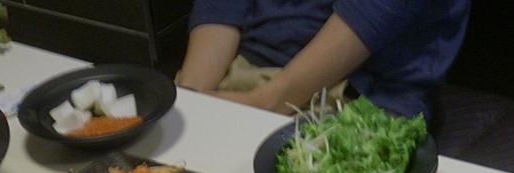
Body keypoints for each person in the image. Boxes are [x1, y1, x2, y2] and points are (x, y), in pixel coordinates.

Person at [176, 1, 471, 119]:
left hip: (359, 96)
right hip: (243, 71)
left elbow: (370, 16)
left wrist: (259, 104)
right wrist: (190, 94)